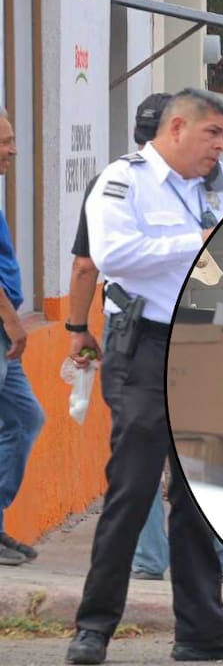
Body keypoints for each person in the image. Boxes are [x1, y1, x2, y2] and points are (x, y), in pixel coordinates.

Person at [67, 88, 223, 665]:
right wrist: (196, 243)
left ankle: (203, 630)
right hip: (145, 350)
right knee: (132, 489)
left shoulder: (216, 180)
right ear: (177, 127)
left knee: (200, 492)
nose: (221, 148)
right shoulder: (122, 182)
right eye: (213, 135)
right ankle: (94, 628)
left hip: (205, 343)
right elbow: (114, 254)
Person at [0, 108, 45, 567]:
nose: (13, 149)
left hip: (5, 330)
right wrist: (13, 320)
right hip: (3, 325)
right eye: (5, 141)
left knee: (26, 418)